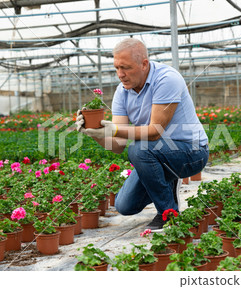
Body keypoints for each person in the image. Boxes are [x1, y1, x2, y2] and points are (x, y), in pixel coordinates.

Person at [75, 38, 209, 231]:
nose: (120, 74)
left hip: (192, 152)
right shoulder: (122, 92)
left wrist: (112, 129)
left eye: (126, 68)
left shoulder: (166, 79)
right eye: (117, 68)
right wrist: (95, 133)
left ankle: (168, 214)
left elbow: (155, 132)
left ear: (144, 64)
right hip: (158, 153)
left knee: (138, 149)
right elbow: (118, 144)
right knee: (124, 205)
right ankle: (168, 181)